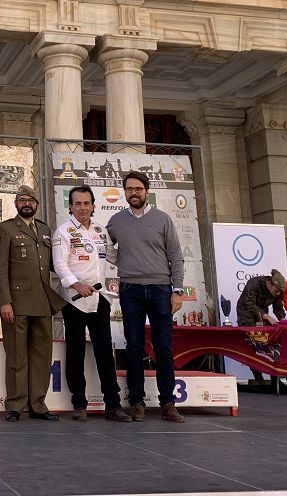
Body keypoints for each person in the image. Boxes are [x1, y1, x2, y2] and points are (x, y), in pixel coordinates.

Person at [106, 170, 185, 423]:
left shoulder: (163, 219)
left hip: (162, 289)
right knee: (134, 346)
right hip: (130, 290)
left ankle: (168, 403)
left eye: (138, 189)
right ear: (125, 192)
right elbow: (106, 251)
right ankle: (137, 403)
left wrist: (178, 290)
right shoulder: (115, 222)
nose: (134, 193)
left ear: (147, 191)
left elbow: (175, 256)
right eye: (129, 189)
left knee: (163, 347)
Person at [52, 185, 130, 423]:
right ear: (70, 206)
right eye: (78, 204)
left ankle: (113, 405)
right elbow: (60, 265)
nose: (82, 208)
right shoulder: (62, 232)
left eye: (87, 203)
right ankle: (79, 404)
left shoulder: (100, 230)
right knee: (75, 351)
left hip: (100, 298)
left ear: (93, 205)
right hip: (74, 300)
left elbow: (117, 257)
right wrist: (76, 285)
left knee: (105, 352)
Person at [0, 185, 63, 422]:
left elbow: (56, 264)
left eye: (30, 200)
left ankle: (38, 405)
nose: (26, 203)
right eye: (22, 200)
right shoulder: (5, 229)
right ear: (15, 204)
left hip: (43, 302)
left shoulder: (45, 230)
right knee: (16, 356)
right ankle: (15, 405)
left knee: (41, 357)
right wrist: (4, 301)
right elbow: (0, 270)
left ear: (36, 204)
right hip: (17, 303)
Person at [236, 268, 286, 387]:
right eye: (276, 291)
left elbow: (278, 308)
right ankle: (258, 378)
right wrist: (267, 317)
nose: (278, 294)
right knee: (252, 344)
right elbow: (250, 304)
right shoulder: (254, 283)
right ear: (270, 283)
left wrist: (283, 321)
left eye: (280, 292)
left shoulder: (279, 291)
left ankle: (275, 378)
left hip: (262, 314)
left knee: (269, 343)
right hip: (246, 313)